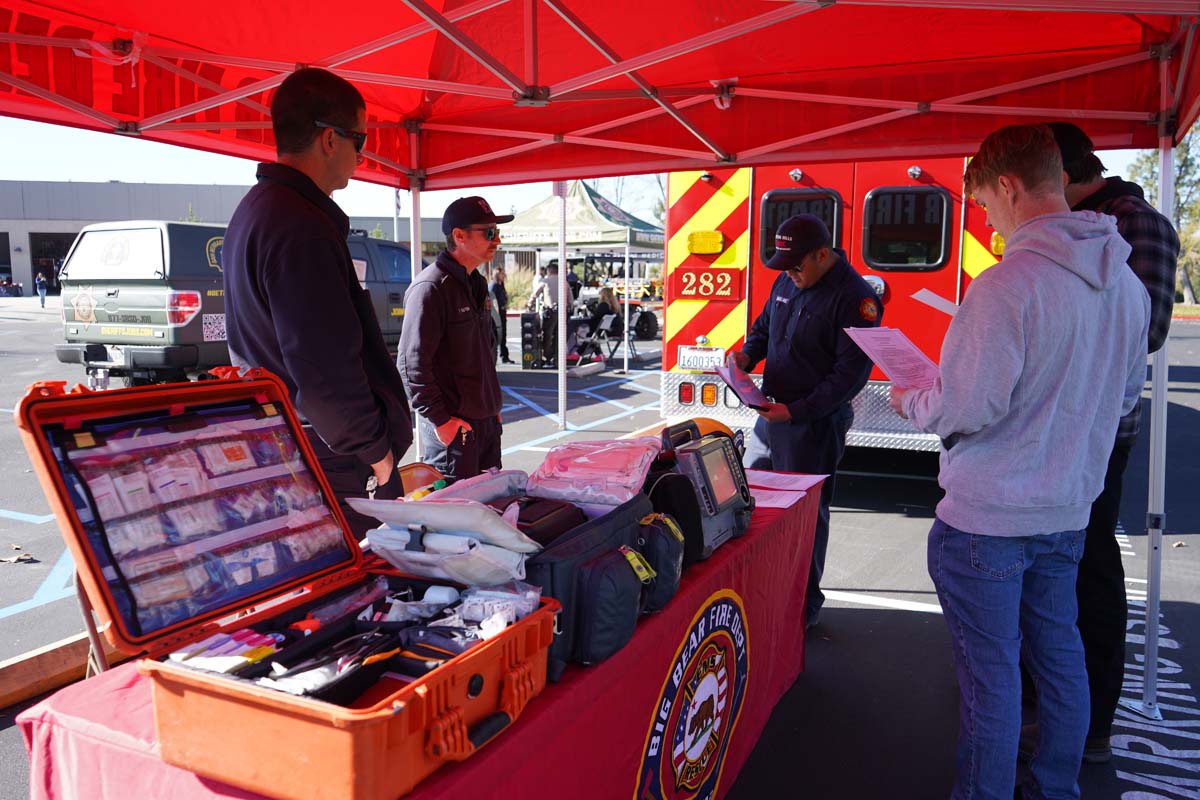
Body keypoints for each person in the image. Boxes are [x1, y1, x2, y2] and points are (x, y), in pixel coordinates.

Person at [889, 123, 1150, 799]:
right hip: (1067, 512)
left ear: (1008, 186)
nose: (985, 220)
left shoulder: (1009, 285)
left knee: (992, 680)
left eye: (982, 205)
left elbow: (967, 407)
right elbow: (1123, 401)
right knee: (1060, 656)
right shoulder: (1125, 286)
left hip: (987, 520)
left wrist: (914, 399)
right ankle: (1057, 787)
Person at [1029, 121, 1179, 764]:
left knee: (1087, 567)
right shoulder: (1083, 220)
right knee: (1047, 566)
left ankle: (1089, 720)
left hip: (1092, 432)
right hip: (1046, 425)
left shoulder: (1135, 225)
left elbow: (1139, 334)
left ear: (1060, 176)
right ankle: (1050, 699)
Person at [223, 67, 413, 538]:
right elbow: (323, 367)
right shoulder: (301, 226)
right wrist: (377, 454)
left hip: (286, 443)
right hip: (328, 456)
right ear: (330, 139)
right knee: (357, 590)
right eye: (359, 141)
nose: (361, 155)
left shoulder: (255, 210)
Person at [726, 213, 881, 630]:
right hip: (771, 415)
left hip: (813, 425)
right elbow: (762, 329)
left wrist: (795, 412)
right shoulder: (787, 278)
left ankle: (803, 606)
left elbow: (847, 379)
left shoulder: (856, 299)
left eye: (797, 266)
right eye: (784, 266)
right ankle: (763, 592)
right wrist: (745, 355)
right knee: (753, 503)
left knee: (806, 516)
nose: (789, 274)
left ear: (823, 254)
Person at [398, 196, 508, 481]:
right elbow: (411, 365)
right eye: (489, 232)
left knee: (489, 507)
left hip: (484, 425)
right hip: (453, 431)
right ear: (459, 236)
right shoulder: (430, 288)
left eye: (497, 232)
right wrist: (441, 420)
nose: (496, 240)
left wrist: (491, 406)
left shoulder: (477, 283)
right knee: (455, 518)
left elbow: (484, 351)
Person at [489, 267, 514, 364]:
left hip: (502, 312)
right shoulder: (494, 286)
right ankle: (504, 356)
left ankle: (504, 356)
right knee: (500, 335)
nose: (503, 275)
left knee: (503, 335)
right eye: (501, 274)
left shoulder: (500, 285)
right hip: (497, 314)